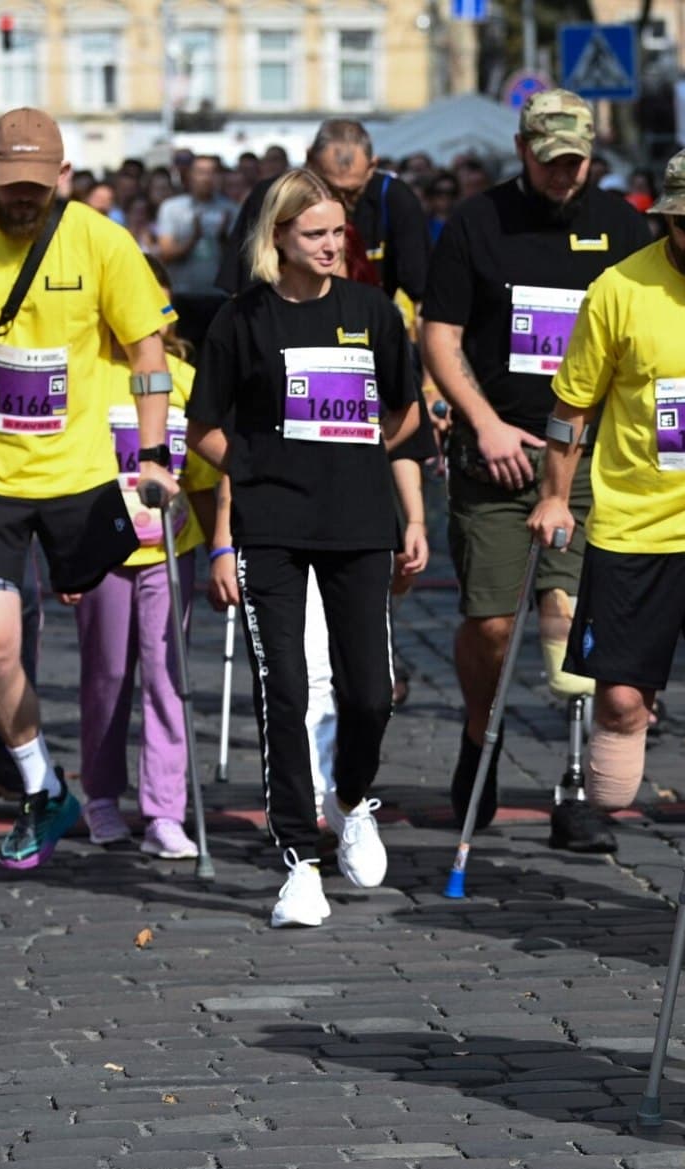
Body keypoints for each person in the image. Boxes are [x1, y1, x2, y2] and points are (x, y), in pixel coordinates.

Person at [527, 147, 685, 925]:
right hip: (634, 529)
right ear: (664, 218)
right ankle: (598, 793)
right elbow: (572, 407)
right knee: (626, 704)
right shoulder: (619, 289)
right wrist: (556, 498)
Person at [186, 167, 422, 926]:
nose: (330, 246)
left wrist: (356, 459)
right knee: (284, 690)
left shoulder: (371, 311)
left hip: (358, 526)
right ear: (278, 237)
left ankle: (351, 800)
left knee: (369, 694)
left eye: (337, 233)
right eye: (313, 233)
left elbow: (406, 412)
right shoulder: (243, 320)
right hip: (273, 530)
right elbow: (205, 427)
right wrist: (258, 472)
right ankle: (299, 859)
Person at [421, 89, 654, 851]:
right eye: (550, 160)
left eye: (576, 161)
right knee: (490, 623)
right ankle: (478, 737)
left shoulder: (622, 227)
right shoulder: (478, 223)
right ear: (523, 150)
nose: (564, 174)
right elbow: (440, 334)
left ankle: (578, 786)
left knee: (570, 622)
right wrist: (483, 422)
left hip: (591, 460)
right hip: (497, 456)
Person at [0, 108, 174, 869]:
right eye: (7, 187)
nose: (21, 201)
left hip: (83, 479)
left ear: (63, 177)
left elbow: (147, 348)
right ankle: (42, 787)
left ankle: (155, 797)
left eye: (35, 187)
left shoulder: (100, 240)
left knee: (132, 652)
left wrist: (155, 454)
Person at [75, 257, 222, 857]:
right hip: (103, 554)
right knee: (107, 677)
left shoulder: (184, 378)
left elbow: (209, 476)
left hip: (171, 550)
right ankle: (102, 797)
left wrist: (221, 548)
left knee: (169, 679)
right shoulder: (88, 375)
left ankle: (165, 811)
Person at [219, 121, 431, 303]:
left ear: (371, 166)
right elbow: (243, 285)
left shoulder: (394, 198)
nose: (339, 201)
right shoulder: (274, 197)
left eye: (352, 192)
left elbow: (420, 288)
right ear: (310, 159)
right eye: (329, 188)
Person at [154, 154, 237, 348]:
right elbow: (165, 252)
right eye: (200, 172)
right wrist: (193, 239)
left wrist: (224, 239)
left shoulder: (231, 209)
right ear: (189, 175)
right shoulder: (172, 208)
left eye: (211, 172)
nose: (206, 178)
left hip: (218, 297)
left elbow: (240, 258)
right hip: (183, 295)